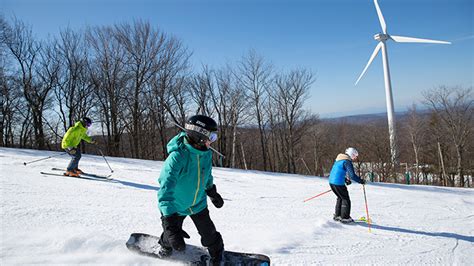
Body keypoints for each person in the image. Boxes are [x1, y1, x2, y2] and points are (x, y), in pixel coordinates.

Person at [157, 115, 225, 265]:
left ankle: (217, 255)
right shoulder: (177, 156)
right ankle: (164, 246)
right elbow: (165, 190)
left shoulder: (206, 153)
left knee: (209, 235)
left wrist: (212, 192)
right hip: (176, 206)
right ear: (199, 135)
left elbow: (206, 175)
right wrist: (169, 223)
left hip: (198, 204)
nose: (213, 141)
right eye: (211, 137)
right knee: (172, 238)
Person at [328, 147, 365, 223]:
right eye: (355, 156)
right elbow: (352, 175)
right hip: (338, 183)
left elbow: (337, 171)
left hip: (332, 182)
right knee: (345, 199)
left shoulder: (339, 159)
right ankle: (345, 217)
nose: (355, 158)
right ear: (352, 154)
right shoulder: (347, 161)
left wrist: (345, 180)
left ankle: (337, 216)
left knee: (340, 197)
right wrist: (360, 181)